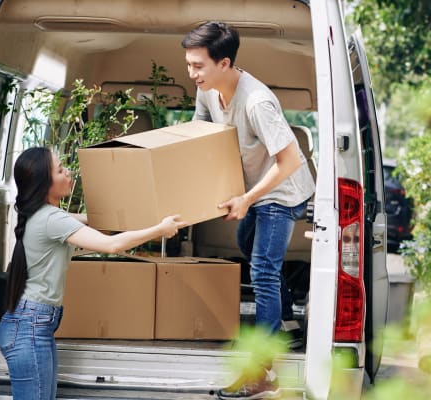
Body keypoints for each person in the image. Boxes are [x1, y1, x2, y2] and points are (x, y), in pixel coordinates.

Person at [182, 21, 315, 399]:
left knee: (262, 271)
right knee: (249, 246)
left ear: (224, 63)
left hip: (282, 192)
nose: (191, 74)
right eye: (189, 64)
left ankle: (262, 371)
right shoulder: (208, 92)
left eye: (198, 66)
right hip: (254, 190)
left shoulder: (257, 102)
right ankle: (287, 318)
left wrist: (246, 198)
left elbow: (289, 161)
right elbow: (201, 128)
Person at [0, 147, 186, 400]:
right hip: (30, 326)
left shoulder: (47, 215)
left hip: (31, 324)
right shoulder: (52, 219)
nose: (69, 173)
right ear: (45, 182)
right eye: (61, 170)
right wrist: (159, 230)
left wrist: (145, 215)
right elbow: (112, 245)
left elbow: (97, 222)